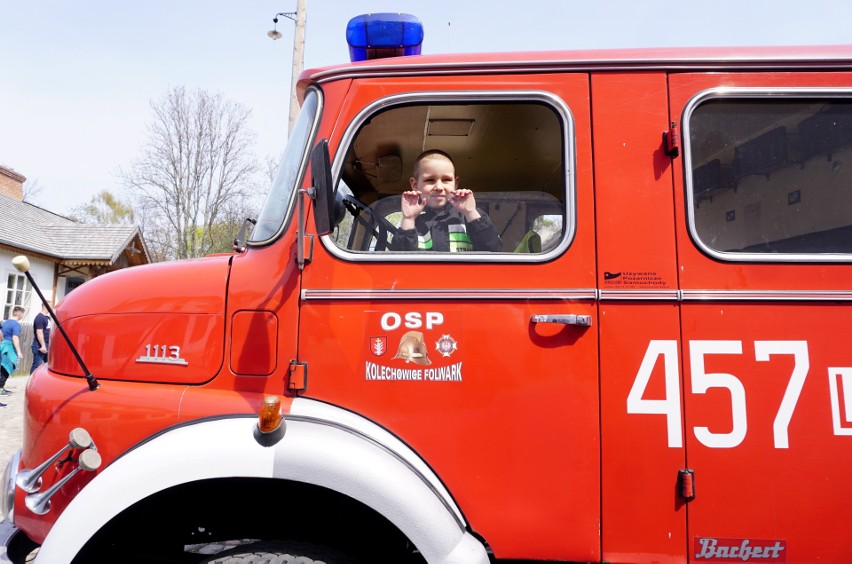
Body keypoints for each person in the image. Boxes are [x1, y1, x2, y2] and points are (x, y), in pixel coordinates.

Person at [390, 150, 500, 252]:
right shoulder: (412, 225)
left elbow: (493, 249)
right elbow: (399, 263)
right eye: (430, 180)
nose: (439, 187)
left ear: (456, 183)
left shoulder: (472, 217)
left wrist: (470, 212)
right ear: (414, 184)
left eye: (446, 180)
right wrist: (408, 219)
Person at [0, 306, 25, 396]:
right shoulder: (16, 324)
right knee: (7, 367)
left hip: (2, 345)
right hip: (9, 347)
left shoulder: (5, 322)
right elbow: (15, 338)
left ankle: (1, 387)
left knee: (2, 367)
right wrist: (19, 351)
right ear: (19, 314)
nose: (23, 316)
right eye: (22, 314)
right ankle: (0, 389)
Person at [30, 303, 51, 374]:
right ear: (46, 306)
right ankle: (32, 383)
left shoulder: (47, 318)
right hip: (40, 345)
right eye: (51, 306)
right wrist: (43, 345)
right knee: (37, 365)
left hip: (48, 344)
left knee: (49, 365)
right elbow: (39, 332)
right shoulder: (40, 317)